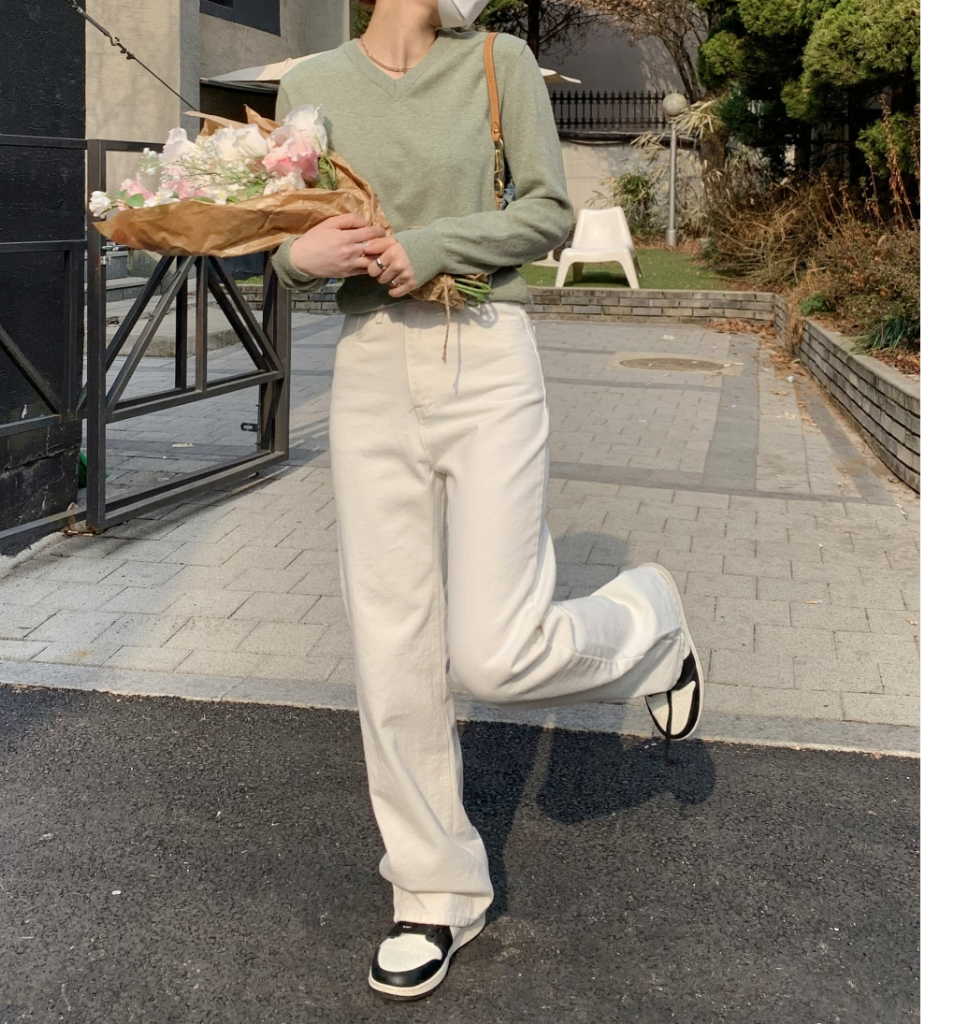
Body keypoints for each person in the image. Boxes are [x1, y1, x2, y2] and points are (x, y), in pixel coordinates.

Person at [269, 0, 705, 1002]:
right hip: (370, 368)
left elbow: (548, 212)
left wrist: (431, 245)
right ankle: (433, 890)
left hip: (489, 358)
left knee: (495, 653)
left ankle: (646, 619)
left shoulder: (499, 63)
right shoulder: (310, 86)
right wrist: (302, 259)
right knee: (391, 643)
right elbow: (287, 250)